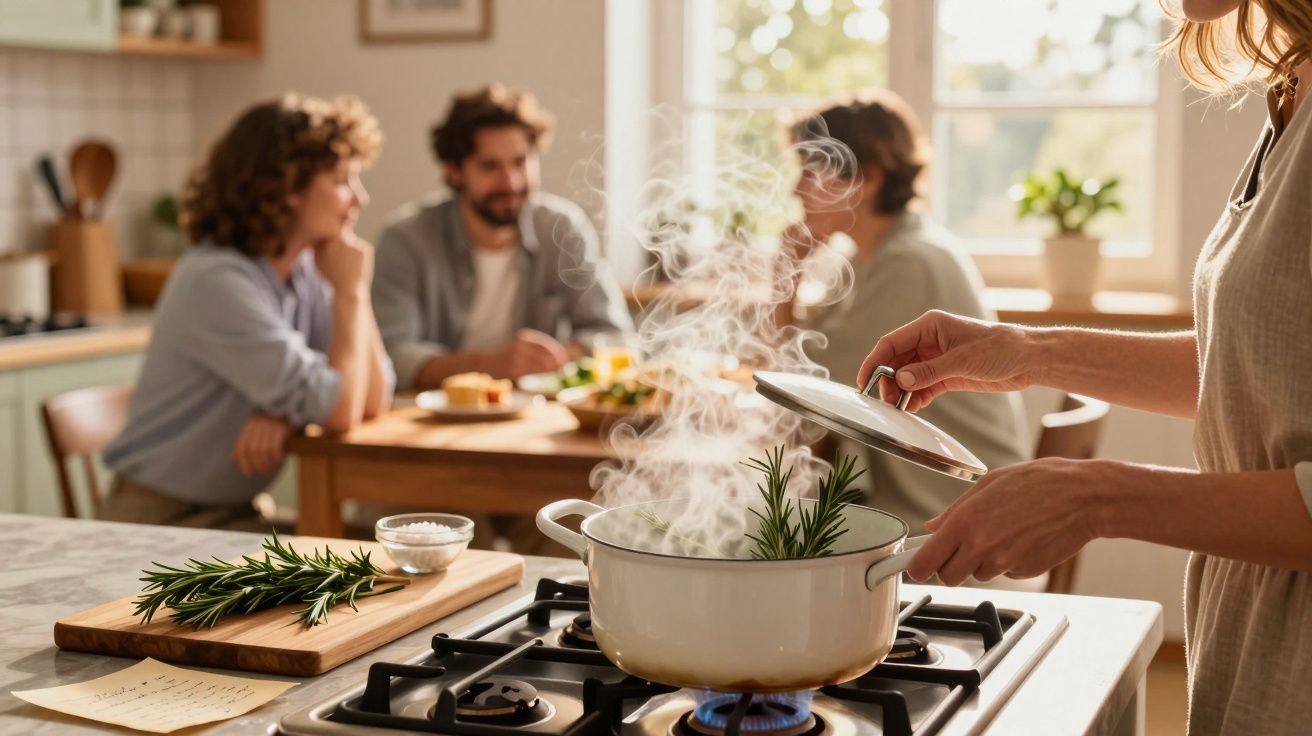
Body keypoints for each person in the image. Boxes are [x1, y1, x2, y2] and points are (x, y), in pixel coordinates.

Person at [856, 1, 1312, 731]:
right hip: (1255, 644)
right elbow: (1269, 367)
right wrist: (1030, 352)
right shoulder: (1292, 88)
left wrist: (1097, 497)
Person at [101, 93, 394, 531]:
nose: (360, 198)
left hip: (234, 515)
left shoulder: (304, 271)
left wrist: (285, 409)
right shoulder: (218, 281)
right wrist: (351, 294)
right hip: (162, 522)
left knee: (385, 552)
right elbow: (340, 409)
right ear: (289, 187)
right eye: (342, 180)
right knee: (376, 559)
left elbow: (373, 397)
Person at [778, 91, 1029, 534]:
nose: (796, 189)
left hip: (958, 513)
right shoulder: (875, 255)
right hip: (942, 494)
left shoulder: (908, 263)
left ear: (867, 179)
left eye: (810, 171)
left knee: (776, 539)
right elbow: (805, 356)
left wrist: (781, 279)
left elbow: (801, 383)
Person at [372, 83, 633, 392]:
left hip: (534, 418)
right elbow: (390, 357)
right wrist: (491, 366)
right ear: (454, 171)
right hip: (432, 421)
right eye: (490, 166)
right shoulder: (405, 240)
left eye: (520, 162)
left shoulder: (562, 229)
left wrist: (556, 359)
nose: (510, 182)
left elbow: (618, 339)